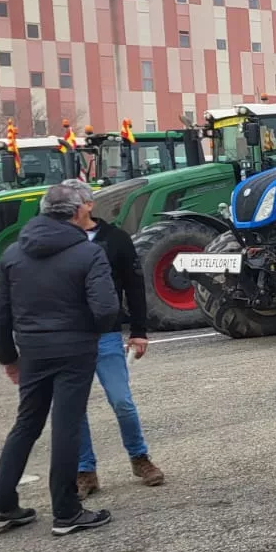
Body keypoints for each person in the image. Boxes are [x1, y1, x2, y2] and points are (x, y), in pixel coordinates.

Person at [0, 181, 120, 536]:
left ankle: (2, 505)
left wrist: (8, 358)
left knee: (26, 424)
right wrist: (87, 330)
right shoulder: (88, 253)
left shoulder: (14, 254)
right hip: (74, 348)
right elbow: (106, 309)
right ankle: (66, 509)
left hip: (31, 349)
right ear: (78, 212)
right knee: (67, 425)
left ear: (43, 211)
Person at [74, 204, 164, 498]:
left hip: (106, 335)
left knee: (122, 400)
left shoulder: (115, 239)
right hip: (69, 337)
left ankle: (140, 458)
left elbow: (134, 285)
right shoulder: (57, 240)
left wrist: (138, 331)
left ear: (88, 205)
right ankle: (85, 471)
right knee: (73, 408)